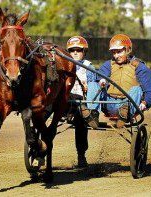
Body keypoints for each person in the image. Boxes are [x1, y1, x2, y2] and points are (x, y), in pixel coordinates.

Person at [86, 34, 151, 128]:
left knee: (137, 89)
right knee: (92, 84)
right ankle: (92, 115)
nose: (116, 56)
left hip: (128, 104)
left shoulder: (139, 67)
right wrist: (101, 80)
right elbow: (100, 76)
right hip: (109, 104)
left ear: (128, 50)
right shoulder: (108, 65)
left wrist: (145, 103)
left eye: (119, 52)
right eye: (114, 53)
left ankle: (124, 114)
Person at [66, 36, 96, 168]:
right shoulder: (64, 65)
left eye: (79, 50)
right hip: (65, 102)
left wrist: (88, 86)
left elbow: (93, 87)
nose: (75, 53)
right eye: (72, 50)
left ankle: (81, 154)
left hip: (81, 103)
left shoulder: (89, 67)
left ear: (84, 52)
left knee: (80, 120)